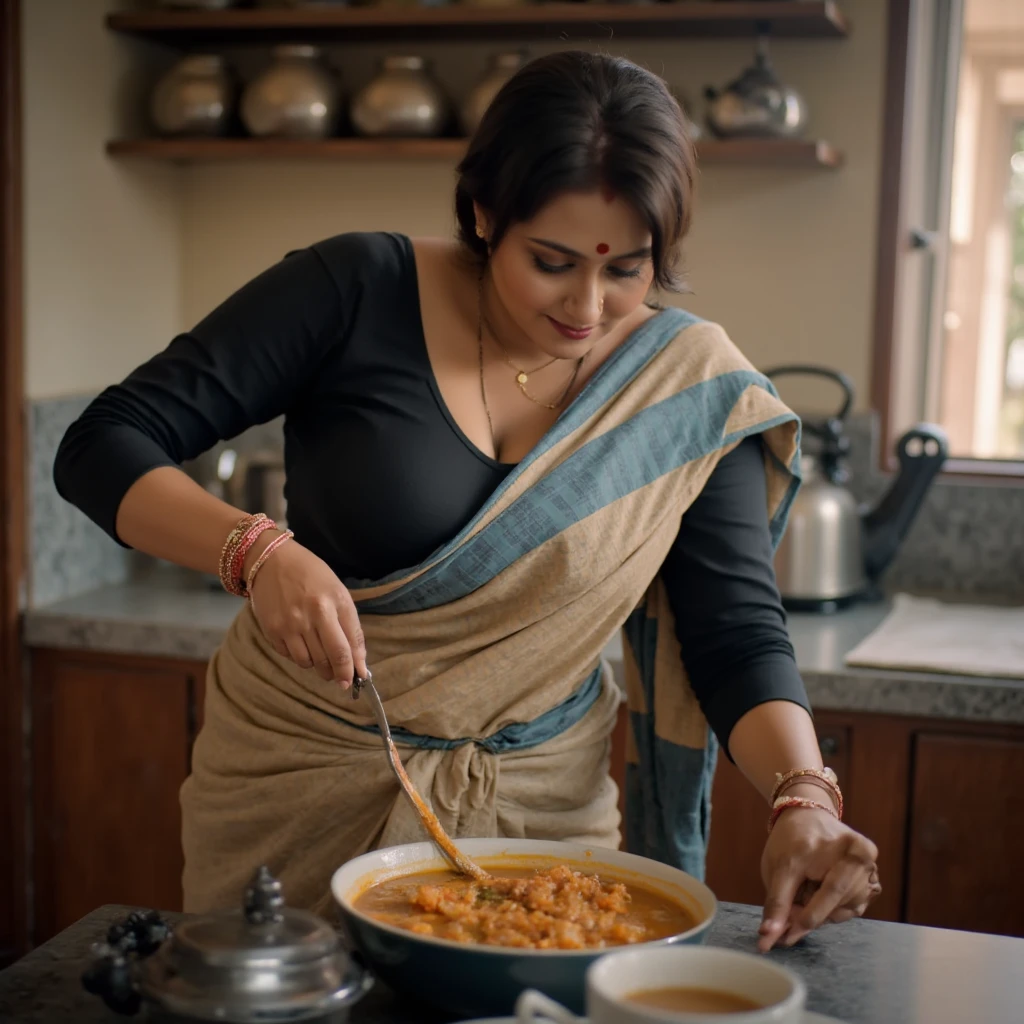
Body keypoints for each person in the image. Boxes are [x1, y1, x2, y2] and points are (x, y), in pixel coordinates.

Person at [55, 50, 880, 951]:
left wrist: (804, 796)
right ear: (485, 213)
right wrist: (254, 552)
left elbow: (736, 634)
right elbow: (103, 443)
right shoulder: (357, 289)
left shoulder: (687, 393)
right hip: (298, 783)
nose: (588, 306)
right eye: (552, 261)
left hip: (540, 815)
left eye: (628, 270)